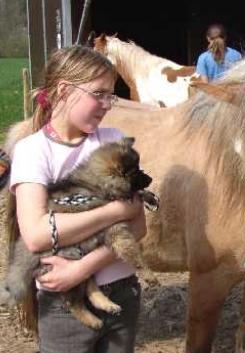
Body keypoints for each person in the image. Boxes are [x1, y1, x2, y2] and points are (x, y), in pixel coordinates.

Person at [9, 45, 147, 353]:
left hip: (123, 293)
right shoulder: (34, 151)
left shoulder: (113, 140)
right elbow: (36, 235)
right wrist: (114, 212)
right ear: (64, 90)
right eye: (99, 93)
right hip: (64, 304)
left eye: (111, 95)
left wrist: (81, 268)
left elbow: (138, 227)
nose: (107, 104)